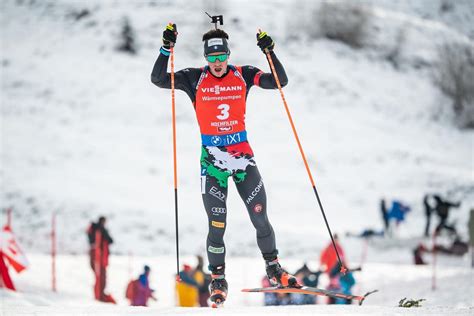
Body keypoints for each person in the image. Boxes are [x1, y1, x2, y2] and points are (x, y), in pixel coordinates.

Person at [151, 23, 300, 305]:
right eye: (212, 58)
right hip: (212, 165)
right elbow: (158, 79)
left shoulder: (243, 75)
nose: (217, 63)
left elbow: (280, 81)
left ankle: (274, 268)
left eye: (221, 57)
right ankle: (218, 280)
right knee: (217, 223)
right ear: (206, 58)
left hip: (243, 160)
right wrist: (166, 48)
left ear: (228, 55)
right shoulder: (193, 78)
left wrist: (269, 51)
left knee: (260, 217)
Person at [86, 216, 115, 303]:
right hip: (98, 257)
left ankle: (100, 295)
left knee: (100, 277)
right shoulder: (99, 229)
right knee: (100, 277)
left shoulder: (96, 229)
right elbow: (110, 240)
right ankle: (99, 296)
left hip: (98, 257)